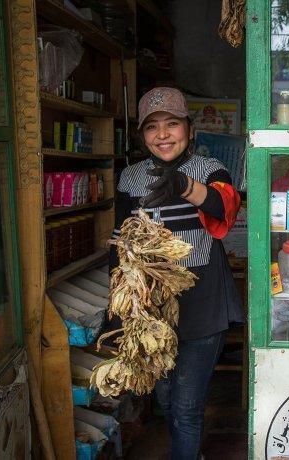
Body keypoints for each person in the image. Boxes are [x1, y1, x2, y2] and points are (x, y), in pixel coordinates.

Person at [109, 87, 243, 459]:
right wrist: (118, 298)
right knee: (165, 398)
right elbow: (120, 240)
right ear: (142, 135)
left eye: (172, 124)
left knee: (185, 407)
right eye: (153, 127)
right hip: (152, 306)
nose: (163, 134)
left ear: (190, 128)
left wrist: (183, 185)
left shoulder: (209, 169)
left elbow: (224, 206)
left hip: (203, 302)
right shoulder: (130, 179)